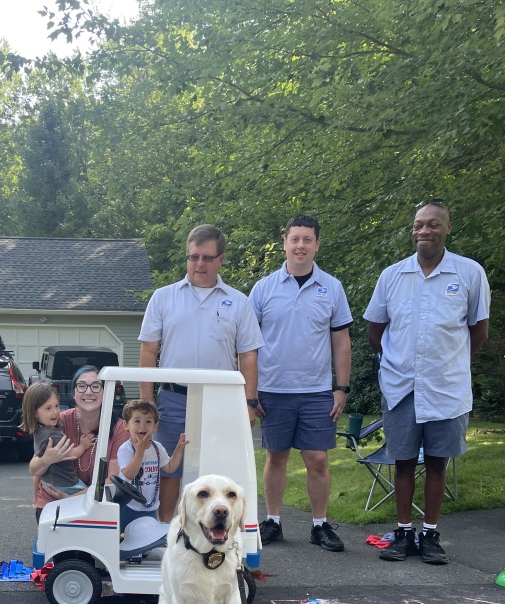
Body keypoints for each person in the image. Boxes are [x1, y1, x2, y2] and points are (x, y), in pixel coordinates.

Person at [364, 199, 490, 564]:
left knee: (437, 462)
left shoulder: (468, 273)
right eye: (419, 225)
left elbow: (478, 332)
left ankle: (430, 535)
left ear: (448, 227)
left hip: (446, 388)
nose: (424, 231)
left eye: (433, 224)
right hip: (401, 386)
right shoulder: (392, 275)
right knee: (402, 461)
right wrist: (396, 362)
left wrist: (448, 364)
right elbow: (376, 332)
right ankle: (403, 533)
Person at [138, 224, 264, 522]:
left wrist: (249, 402)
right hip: (173, 398)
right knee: (170, 469)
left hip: (221, 402)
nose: (199, 264)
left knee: (219, 472)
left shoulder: (239, 301)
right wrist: (146, 402)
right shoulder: (163, 297)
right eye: (193, 257)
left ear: (221, 259)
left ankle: (219, 539)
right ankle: (165, 533)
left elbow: (248, 355)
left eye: (207, 257)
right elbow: (148, 351)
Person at [249, 213, 353, 553]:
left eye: (307, 239)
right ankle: (274, 522)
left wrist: (342, 387)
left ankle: (320, 525)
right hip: (273, 391)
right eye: (295, 239)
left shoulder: (332, 288)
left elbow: (341, 341)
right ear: (285, 243)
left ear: (317, 244)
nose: (300, 246)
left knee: (317, 460)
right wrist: (250, 393)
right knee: (275, 457)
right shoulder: (263, 288)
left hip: (316, 392)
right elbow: (247, 346)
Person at [29, 365, 129, 520]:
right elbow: (34, 468)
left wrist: (75, 498)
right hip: (52, 504)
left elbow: (112, 481)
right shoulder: (58, 421)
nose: (88, 392)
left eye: (96, 386)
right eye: (81, 386)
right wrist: (46, 460)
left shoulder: (119, 428)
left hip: (93, 503)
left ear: (105, 392)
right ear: (73, 393)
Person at [116, 399, 188, 529]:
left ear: (155, 426)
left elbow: (170, 467)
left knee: (147, 540)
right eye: (137, 421)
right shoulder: (125, 449)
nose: (142, 426)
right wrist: (140, 451)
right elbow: (129, 475)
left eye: (148, 421)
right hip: (129, 506)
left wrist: (179, 448)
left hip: (151, 506)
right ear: (126, 425)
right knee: (123, 537)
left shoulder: (157, 448)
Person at [20, 382, 90, 496]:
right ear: (34, 413)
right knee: (93, 495)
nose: (55, 412)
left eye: (57, 406)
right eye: (48, 408)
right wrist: (83, 445)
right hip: (67, 484)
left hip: (48, 481)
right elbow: (71, 454)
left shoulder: (39, 431)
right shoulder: (53, 436)